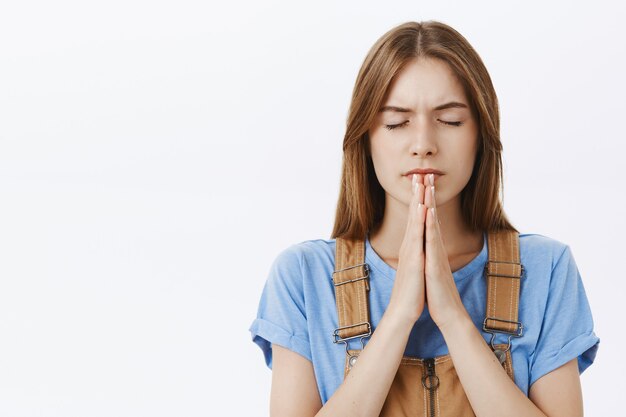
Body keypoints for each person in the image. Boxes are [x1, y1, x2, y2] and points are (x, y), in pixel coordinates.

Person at [249, 20, 600, 416]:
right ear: (365, 139)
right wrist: (400, 313)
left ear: (481, 134)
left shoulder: (547, 269)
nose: (423, 145)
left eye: (449, 120)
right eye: (397, 122)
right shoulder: (303, 276)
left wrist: (452, 315)